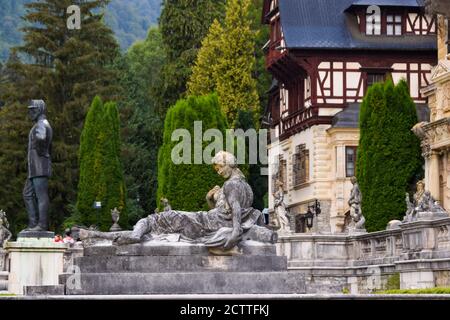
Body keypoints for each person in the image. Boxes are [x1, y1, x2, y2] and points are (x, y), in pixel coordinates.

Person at [80, 151, 274, 251]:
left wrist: (234, 233)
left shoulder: (231, 185)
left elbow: (236, 212)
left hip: (204, 223)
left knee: (155, 220)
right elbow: (229, 210)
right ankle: (101, 236)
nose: (218, 171)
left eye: (219, 168)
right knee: (158, 224)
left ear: (228, 164)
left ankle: (119, 236)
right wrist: (209, 199)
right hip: (209, 221)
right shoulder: (244, 184)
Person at [22, 100, 53, 232]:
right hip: (35, 168)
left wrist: (41, 153)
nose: (30, 112)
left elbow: (41, 138)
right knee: (27, 194)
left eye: (33, 110)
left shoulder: (41, 124)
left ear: (40, 109)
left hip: (40, 167)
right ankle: (33, 224)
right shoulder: (40, 124)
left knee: (41, 195)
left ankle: (42, 225)